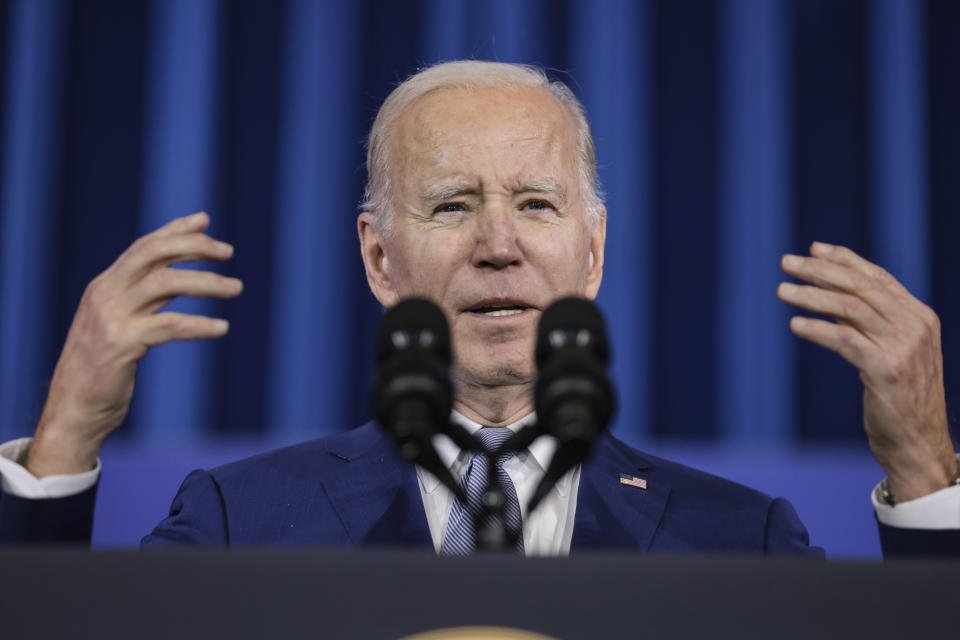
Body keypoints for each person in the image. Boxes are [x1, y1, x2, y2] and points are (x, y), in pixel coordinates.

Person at [0, 61, 957, 555]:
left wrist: (922, 470)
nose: (499, 243)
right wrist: (60, 452)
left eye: (537, 204)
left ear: (592, 250)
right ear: (379, 257)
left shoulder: (742, 539)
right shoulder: (238, 518)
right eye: (452, 205)